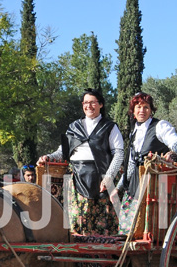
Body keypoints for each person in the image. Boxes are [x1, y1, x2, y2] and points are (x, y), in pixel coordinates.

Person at [38, 88, 124, 235]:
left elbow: (119, 153)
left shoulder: (110, 127)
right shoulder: (74, 127)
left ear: (101, 104)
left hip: (101, 177)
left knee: (102, 219)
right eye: (85, 103)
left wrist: (109, 177)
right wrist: (48, 157)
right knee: (77, 217)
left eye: (92, 102)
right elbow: (62, 152)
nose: (88, 106)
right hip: (77, 177)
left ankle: (102, 253)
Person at [117, 92, 177, 234]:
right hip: (135, 184)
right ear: (133, 111)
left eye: (146, 107)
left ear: (151, 109)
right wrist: (119, 187)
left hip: (154, 184)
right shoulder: (134, 131)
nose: (142, 110)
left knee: (142, 227)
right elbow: (131, 163)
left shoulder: (160, 126)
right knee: (126, 228)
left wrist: (173, 153)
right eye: (138, 107)